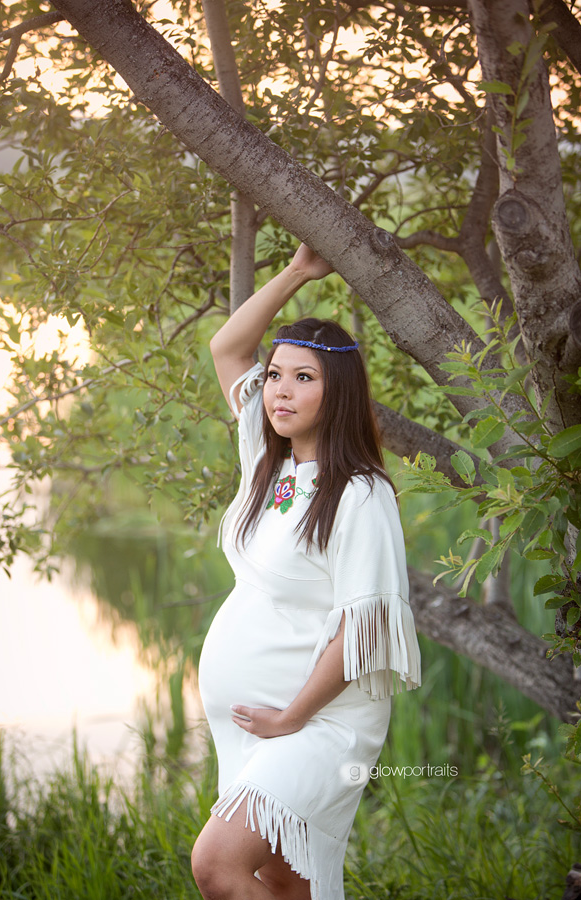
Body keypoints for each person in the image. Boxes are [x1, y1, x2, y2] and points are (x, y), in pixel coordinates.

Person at [191, 243, 421, 900]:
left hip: (318, 726)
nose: (280, 391)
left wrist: (292, 717)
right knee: (283, 880)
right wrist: (296, 272)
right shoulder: (273, 464)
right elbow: (227, 349)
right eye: (276, 376)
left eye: (303, 378)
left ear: (336, 390)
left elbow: (364, 629)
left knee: (218, 866)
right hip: (253, 729)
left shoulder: (359, 495)